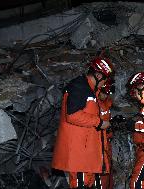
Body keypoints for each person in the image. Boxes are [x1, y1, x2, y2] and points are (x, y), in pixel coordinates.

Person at [52, 57, 114, 189]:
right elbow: (73, 115)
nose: (104, 84)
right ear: (98, 75)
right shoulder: (79, 87)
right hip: (79, 155)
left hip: (87, 155)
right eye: (104, 80)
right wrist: (99, 122)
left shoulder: (90, 90)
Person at [98, 79, 115, 189]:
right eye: (104, 93)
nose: (106, 95)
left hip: (106, 142)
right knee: (102, 172)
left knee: (108, 171)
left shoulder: (107, 103)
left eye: (108, 93)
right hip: (98, 144)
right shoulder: (94, 103)